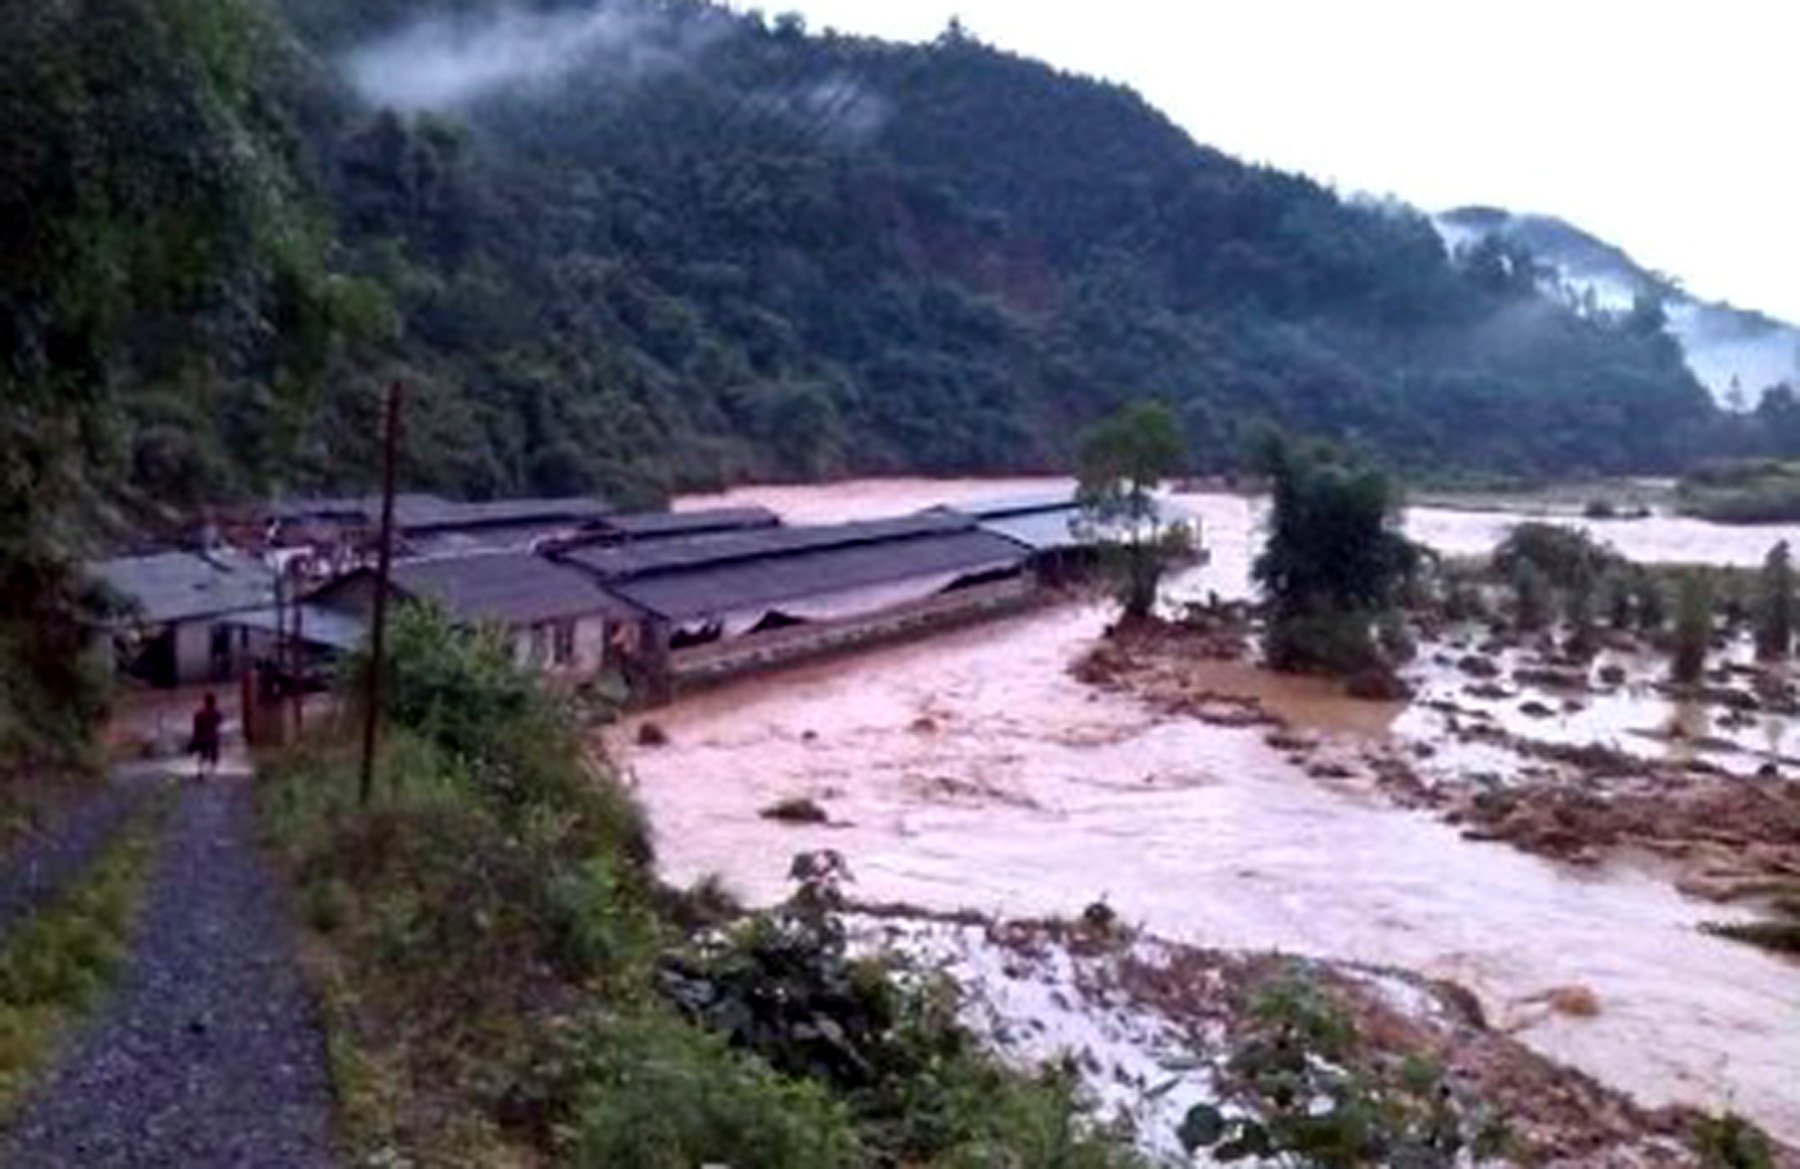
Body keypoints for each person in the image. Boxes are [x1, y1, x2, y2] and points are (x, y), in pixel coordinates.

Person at [190, 692, 223, 782]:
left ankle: (200, 772)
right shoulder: (217, 713)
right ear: (214, 702)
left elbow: (195, 728)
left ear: (205, 701)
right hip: (212, 738)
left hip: (202, 738)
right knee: (214, 757)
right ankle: (211, 772)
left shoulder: (199, 713)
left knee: (202, 756)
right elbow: (219, 723)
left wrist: (194, 739)